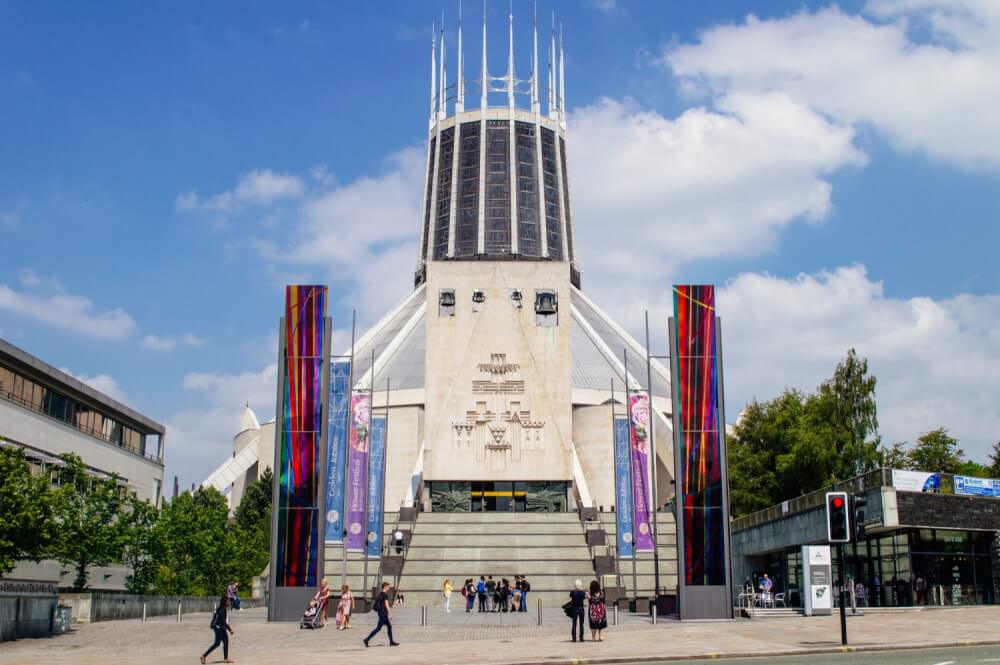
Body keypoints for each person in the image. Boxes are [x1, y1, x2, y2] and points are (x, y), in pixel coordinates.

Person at [364, 582, 400, 648]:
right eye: (388, 587)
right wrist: (390, 613)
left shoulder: (380, 593)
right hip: (383, 614)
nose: (389, 588)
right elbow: (386, 604)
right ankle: (367, 639)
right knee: (378, 628)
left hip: (382, 613)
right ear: (385, 587)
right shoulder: (385, 594)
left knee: (389, 627)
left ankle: (391, 641)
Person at [201, 594, 234, 664]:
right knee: (217, 643)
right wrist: (230, 629)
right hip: (218, 628)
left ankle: (226, 658)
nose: (229, 602)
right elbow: (223, 621)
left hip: (221, 627)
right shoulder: (222, 610)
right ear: (225, 602)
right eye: (228, 601)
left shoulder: (221, 609)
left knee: (225, 642)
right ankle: (204, 656)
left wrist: (227, 628)